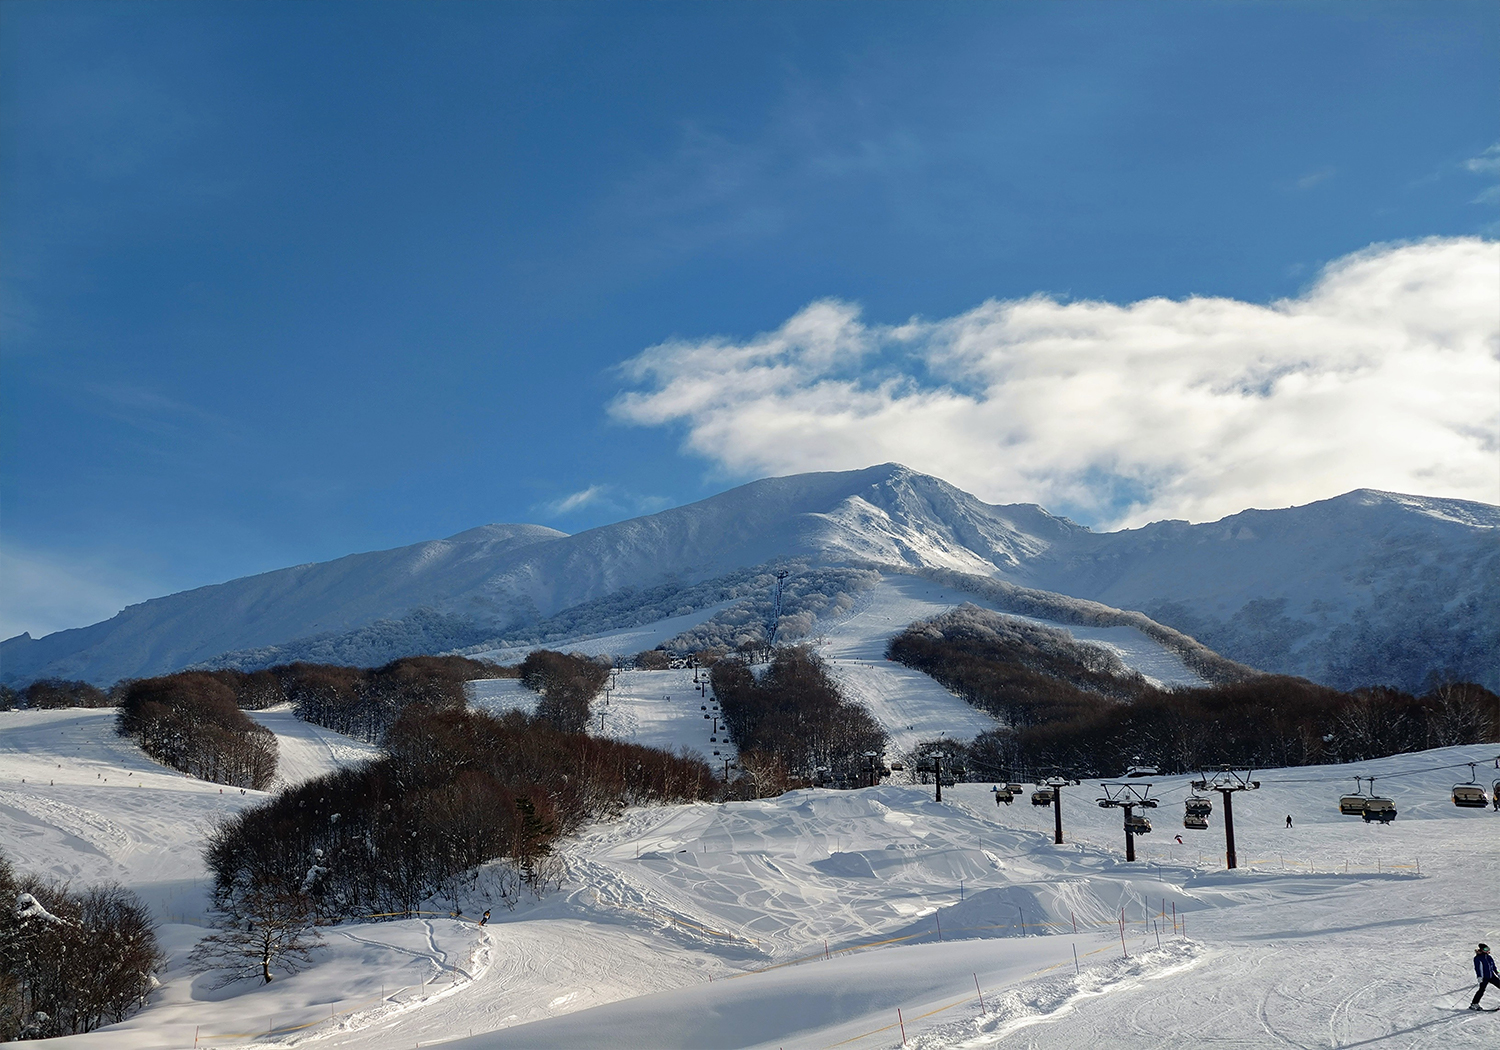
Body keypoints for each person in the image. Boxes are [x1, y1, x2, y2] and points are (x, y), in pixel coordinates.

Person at [1471, 943, 1499, 1009]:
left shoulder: (1489, 957)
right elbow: (1478, 968)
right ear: (1481, 950)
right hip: (1484, 978)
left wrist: (1498, 973)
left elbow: (1493, 966)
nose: (1487, 950)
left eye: (1488, 949)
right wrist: (1479, 977)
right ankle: (1474, 1004)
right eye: (1485, 949)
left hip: (1491, 976)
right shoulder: (1477, 958)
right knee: (1481, 990)